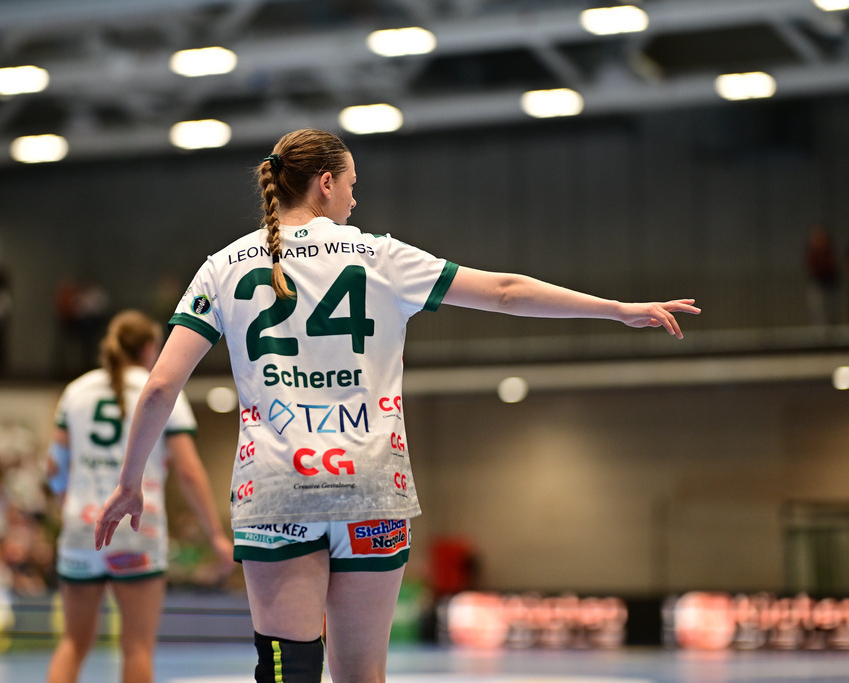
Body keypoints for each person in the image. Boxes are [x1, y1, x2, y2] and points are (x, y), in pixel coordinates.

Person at [94, 128, 701, 682]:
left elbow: (158, 388)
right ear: (326, 183)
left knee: (287, 673)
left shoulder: (221, 268)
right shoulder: (378, 257)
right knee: (363, 677)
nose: (355, 201)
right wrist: (618, 310)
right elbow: (507, 292)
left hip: (273, 490)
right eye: (352, 186)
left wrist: (130, 483)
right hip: (370, 487)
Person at [46, 309, 233, 683]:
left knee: (72, 643)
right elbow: (188, 470)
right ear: (150, 349)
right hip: (137, 530)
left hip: (83, 529)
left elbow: (54, 469)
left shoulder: (76, 393)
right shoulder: (160, 390)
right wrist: (214, 533)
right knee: (136, 648)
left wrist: (68, 499)